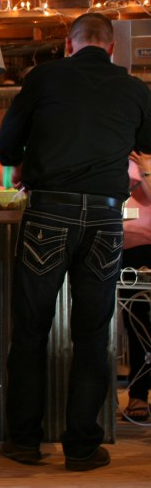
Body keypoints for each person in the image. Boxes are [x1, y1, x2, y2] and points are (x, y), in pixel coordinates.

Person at [0, 13, 151, 471]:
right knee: (91, 334)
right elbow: (145, 142)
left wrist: (34, 153)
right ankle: (82, 447)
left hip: (50, 211)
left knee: (31, 330)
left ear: (69, 43)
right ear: (112, 48)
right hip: (105, 216)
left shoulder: (44, 77)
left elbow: (6, 148)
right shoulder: (134, 87)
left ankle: (24, 442)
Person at [119, 151, 151, 422]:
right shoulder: (118, 153)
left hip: (149, 245)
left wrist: (146, 171)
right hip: (126, 247)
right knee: (136, 322)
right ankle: (138, 394)